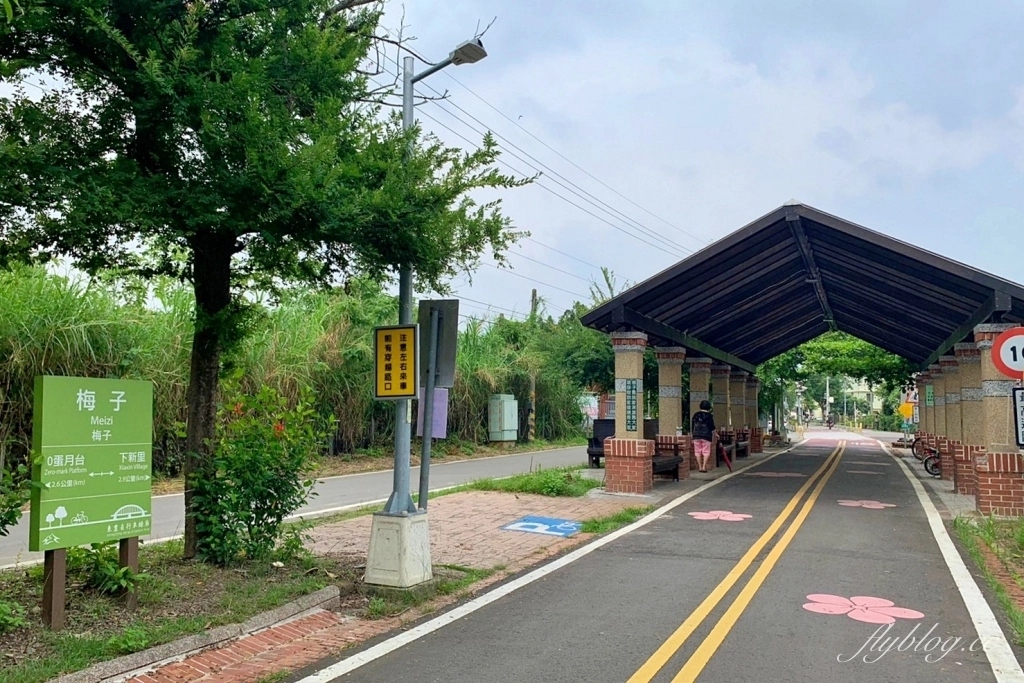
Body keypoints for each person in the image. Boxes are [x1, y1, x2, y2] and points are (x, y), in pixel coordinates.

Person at [691, 400, 717, 473]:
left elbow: (692, 426)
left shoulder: (696, 415)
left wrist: (692, 435)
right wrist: (715, 433)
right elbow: (712, 426)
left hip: (696, 435)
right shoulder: (709, 415)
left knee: (697, 451)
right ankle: (704, 466)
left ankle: (699, 467)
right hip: (706, 436)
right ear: (708, 407)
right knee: (706, 451)